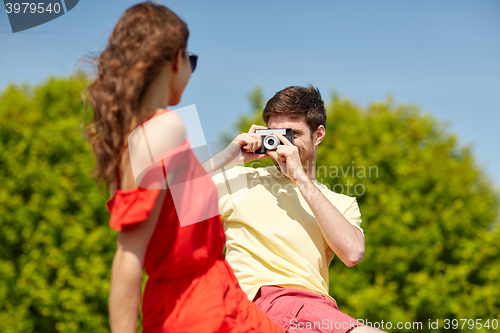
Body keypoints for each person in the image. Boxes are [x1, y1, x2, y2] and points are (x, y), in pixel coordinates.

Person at [84, 2, 283, 333]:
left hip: (196, 299)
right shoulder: (167, 126)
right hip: (202, 308)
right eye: (192, 61)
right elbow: (128, 253)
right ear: (176, 59)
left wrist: (232, 154)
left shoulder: (137, 134)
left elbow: (177, 199)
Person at [210, 85, 386, 333]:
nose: (282, 144)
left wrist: (300, 179)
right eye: (275, 134)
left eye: (291, 135)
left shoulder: (339, 202)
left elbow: (353, 253)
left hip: (316, 310)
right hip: (260, 303)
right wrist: (229, 157)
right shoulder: (239, 179)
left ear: (319, 134)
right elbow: (164, 194)